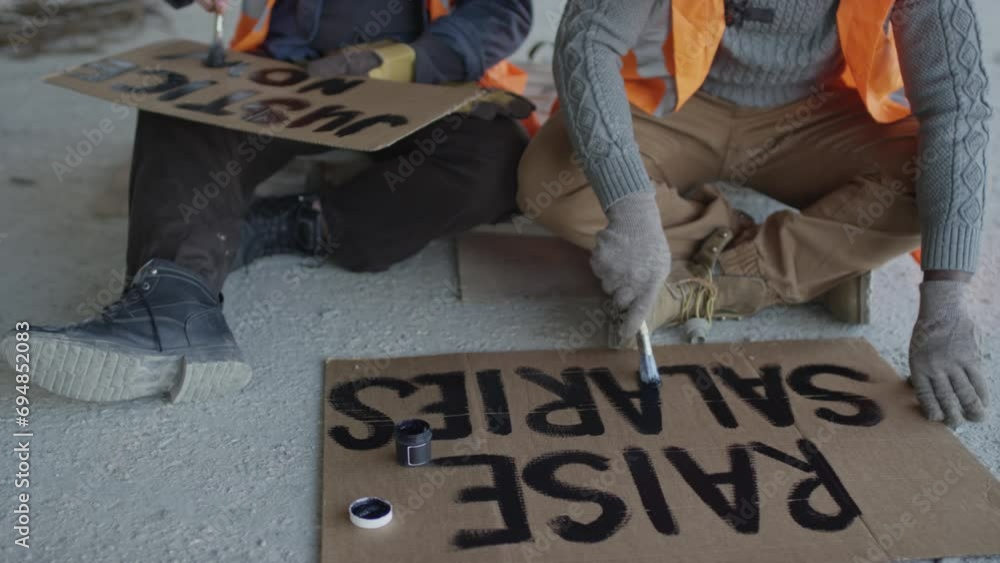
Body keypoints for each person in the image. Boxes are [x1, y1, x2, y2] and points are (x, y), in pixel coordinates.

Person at [1, 0, 533, 403]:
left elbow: (503, 10)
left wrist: (392, 61)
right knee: (177, 102)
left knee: (495, 163)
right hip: (282, 76)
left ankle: (304, 224)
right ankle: (172, 309)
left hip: (421, 83)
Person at [517, 0, 990, 427]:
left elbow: (958, 109)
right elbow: (587, 40)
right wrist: (632, 210)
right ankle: (819, 264)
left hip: (815, 114)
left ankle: (723, 277)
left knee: (924, 182)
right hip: (678, 101)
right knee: (549, 183)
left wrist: (945, 306)